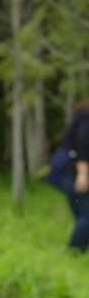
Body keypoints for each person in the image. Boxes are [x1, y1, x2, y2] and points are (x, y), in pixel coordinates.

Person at [46, 100, 89, 252]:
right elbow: (83, 145)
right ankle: (74, 252)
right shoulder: (87, 118)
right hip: (72, 174)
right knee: (87, 215)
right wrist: (83, 175)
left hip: (73, 173)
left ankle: (79, 250)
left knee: (83, 215)